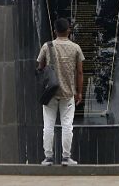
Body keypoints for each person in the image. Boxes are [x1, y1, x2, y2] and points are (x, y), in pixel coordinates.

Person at [35, 17, 85, 166]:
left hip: (50, 93)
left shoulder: (47, 46)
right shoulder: (76, 48)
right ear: (69, 30)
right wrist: (79, 92)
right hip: (68, 93)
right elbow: (80, 72)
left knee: (48, 125)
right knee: (67, 126)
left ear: (55, 31)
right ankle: (66, 157)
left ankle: (48, 158)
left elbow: (40, 67)